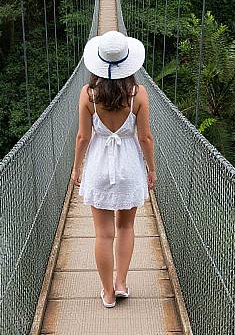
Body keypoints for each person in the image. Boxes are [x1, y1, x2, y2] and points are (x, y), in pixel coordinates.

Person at [71, 30, 156, 308]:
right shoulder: (137, 94)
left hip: (98, 167)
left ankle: (107, 293)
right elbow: (145, 138)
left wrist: (76, 169)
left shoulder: (89, 94)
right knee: (127, 226)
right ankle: (121, 282)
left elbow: (83, 137)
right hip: (129, 166)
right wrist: (151, 169)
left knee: (103, 233)